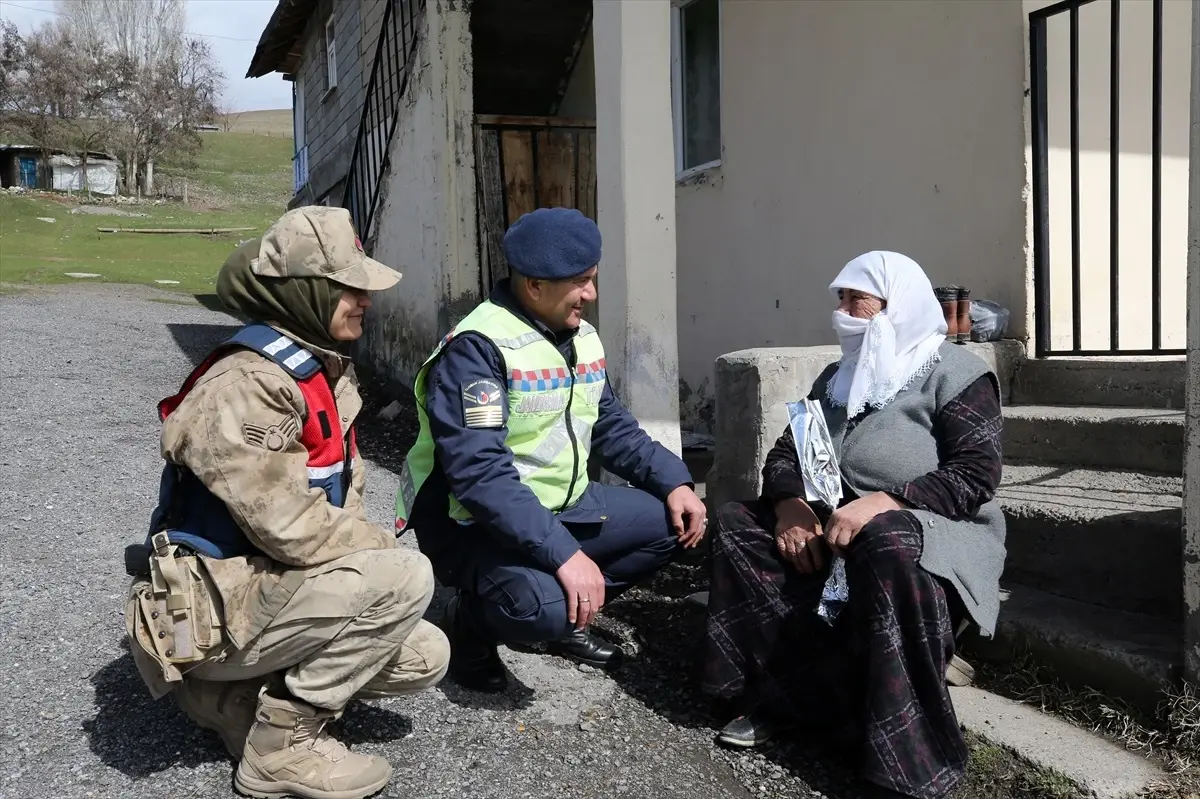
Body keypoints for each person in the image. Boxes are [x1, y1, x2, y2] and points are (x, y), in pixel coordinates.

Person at [123, 206, 449, 799]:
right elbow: (292, 528)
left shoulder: (315, 369)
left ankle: (235, 699)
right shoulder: (247, 384)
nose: (365, 299)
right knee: (405, 578)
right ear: (305, 291)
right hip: (212, 612)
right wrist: (384, 558)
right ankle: (278, 750)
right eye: (348, 287)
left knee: (423, 654)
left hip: (262, 587)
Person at [700, 251, 1006, 799]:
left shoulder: (957, 374)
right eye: (839, 299)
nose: (842, 311)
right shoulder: (836, 378)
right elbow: (788, 451)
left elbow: (974, 476)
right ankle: (781, 697)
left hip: (931, 526)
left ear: (895, 305)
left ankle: (903, 754)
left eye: (855, 300)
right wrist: (792, 503)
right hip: (836, 523)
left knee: (883, 538)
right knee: (738, 524)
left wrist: (886, 500)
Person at [394, 206, 708, 692]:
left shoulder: (580, 336)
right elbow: (480, 476)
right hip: (473, 525)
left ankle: (569, 614)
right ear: (534, 286)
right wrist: (565, 555)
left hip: (564, 503)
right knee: (541, 610)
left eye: (592, 278)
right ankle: (471, 624)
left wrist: (676, 481)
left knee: (673, 526)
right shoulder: (478, 348)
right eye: (580, 282)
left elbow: (610, 425)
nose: (592, 294)